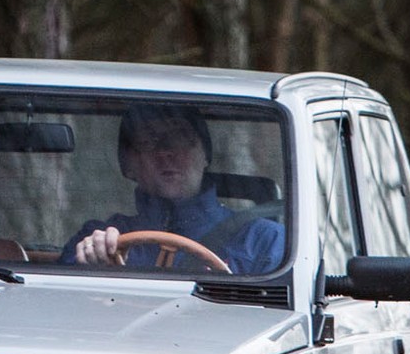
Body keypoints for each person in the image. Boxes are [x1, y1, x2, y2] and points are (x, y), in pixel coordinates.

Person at [63, 103, 285, 274]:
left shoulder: (264, 240)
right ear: (128, 164)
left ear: (205, 154)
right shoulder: (98, 237)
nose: (166, 152)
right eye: (148, 141)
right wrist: (95, 264)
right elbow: (63, 306)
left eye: (180, 139)